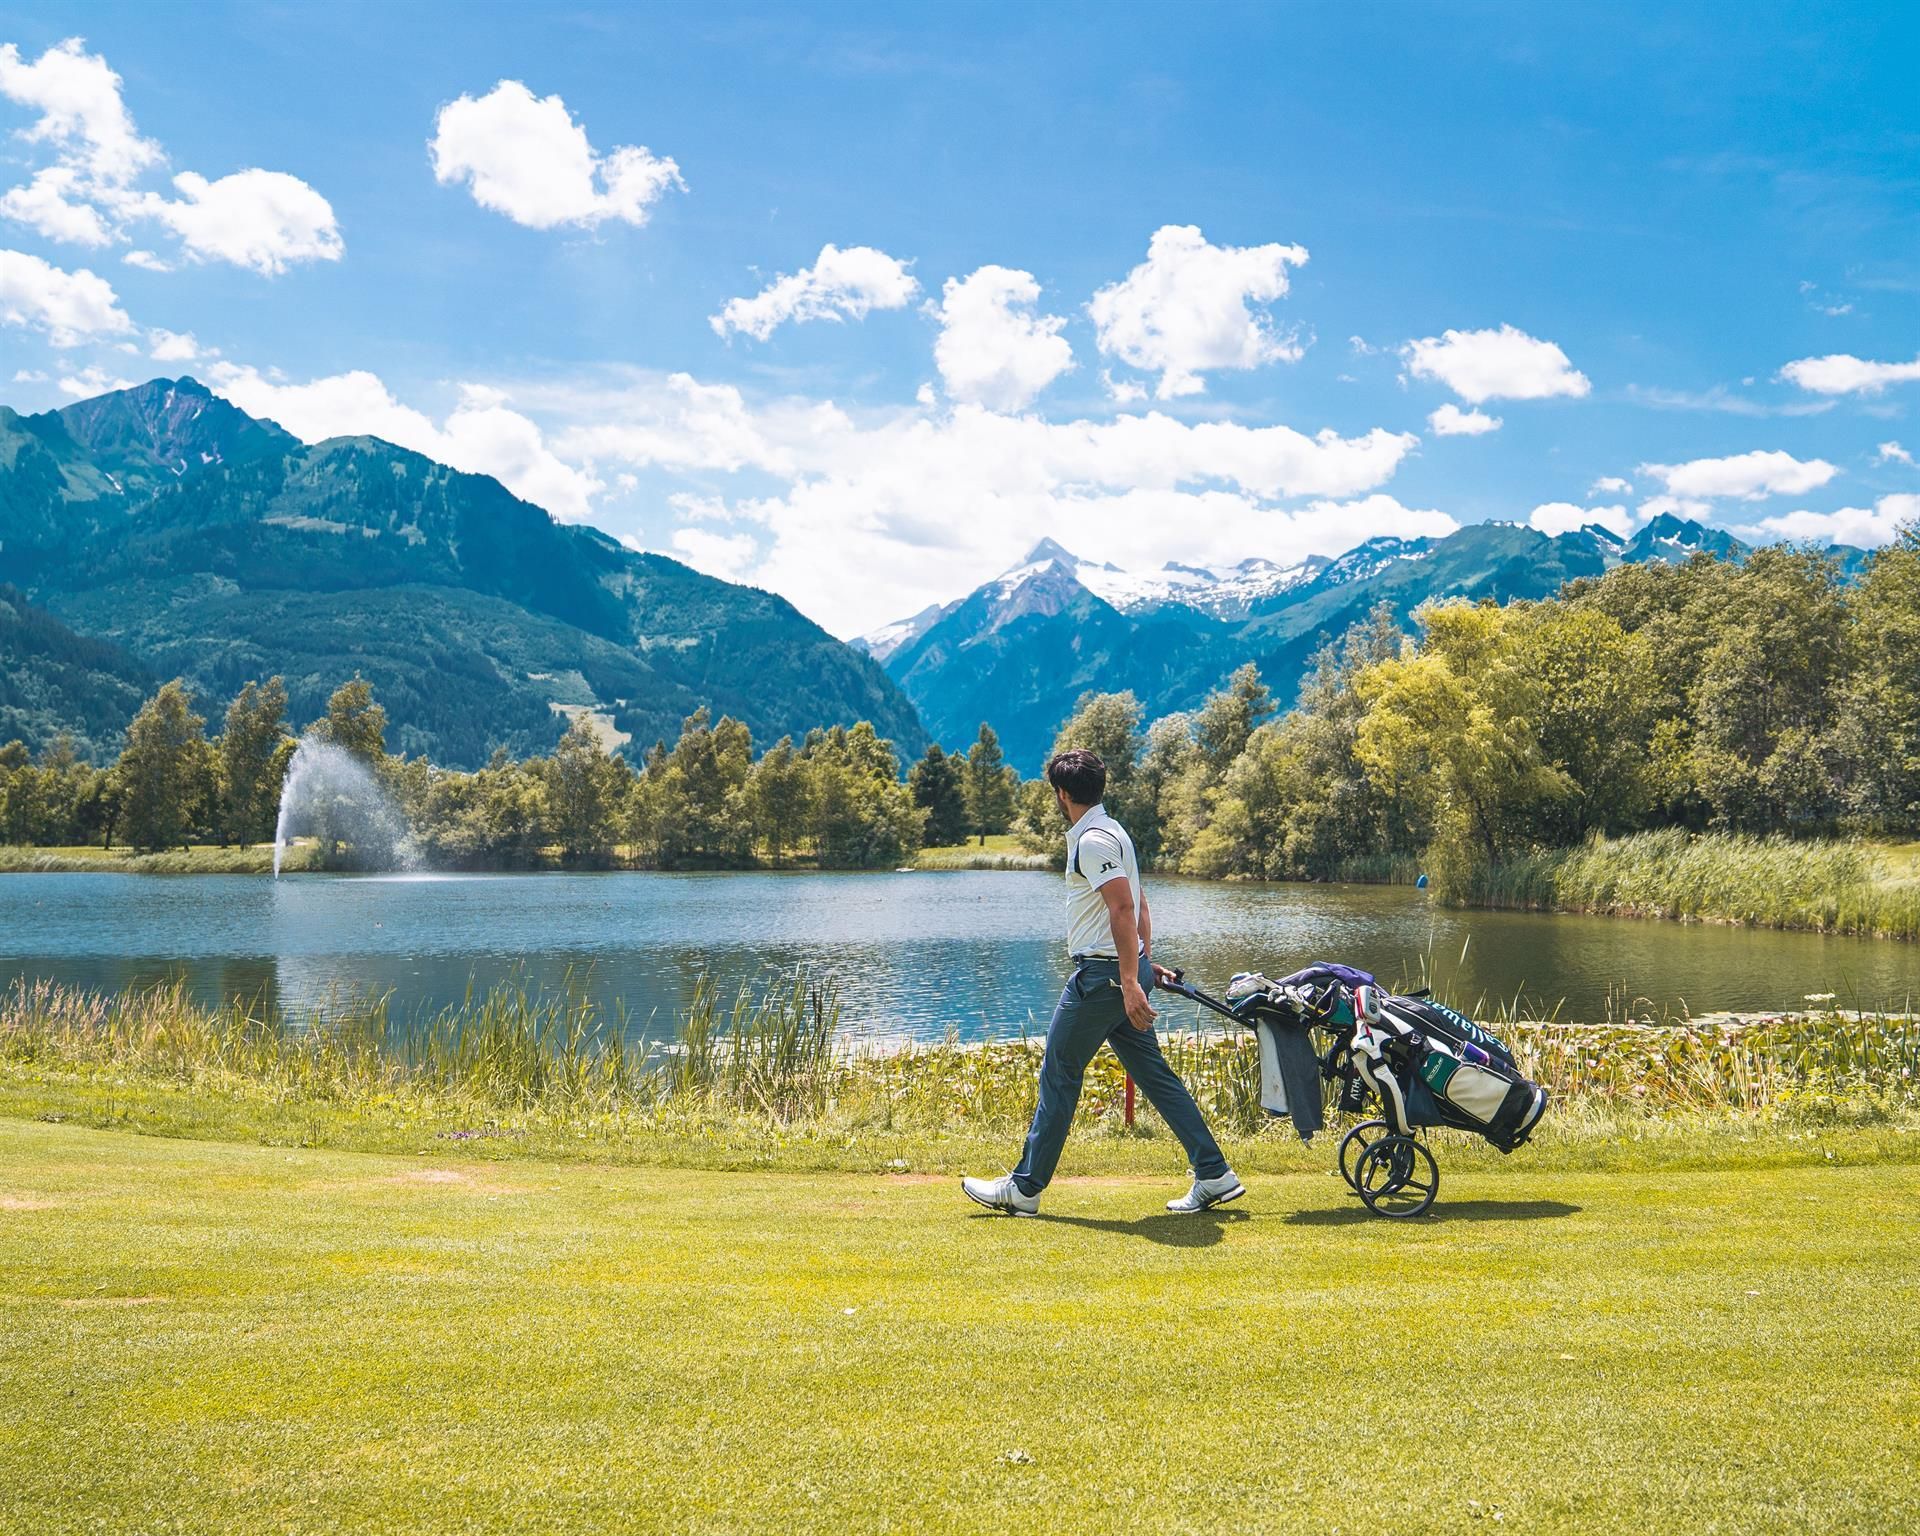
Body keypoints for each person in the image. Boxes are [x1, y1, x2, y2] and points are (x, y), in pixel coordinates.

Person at [962, 748, 1243, 1217]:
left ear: (1062, 794)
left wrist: (1132, 979)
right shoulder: (1113, 832)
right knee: (1154, 1075)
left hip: (1102, 979)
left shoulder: (1092, 840)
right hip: (1121, 974)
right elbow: (1139, 903)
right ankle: (1214, 1172)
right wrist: (1145, 962)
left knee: (1059, 1071)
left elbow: (1124, 908)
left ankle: (1025, 1188)